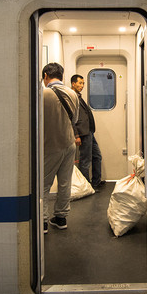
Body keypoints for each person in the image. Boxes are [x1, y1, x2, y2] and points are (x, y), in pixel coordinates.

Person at [41, 63, 78, 231]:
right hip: (69, 143)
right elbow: (75, 119)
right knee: (65, 183)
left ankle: (42, 221)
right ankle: (61, 218)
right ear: (62, 76)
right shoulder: (72, 93)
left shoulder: (43, 94)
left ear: (46, 76)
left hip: (50, 144)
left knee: (43, 184)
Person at [70, 75, 104, 189]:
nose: (82, 86)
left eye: (83, 83)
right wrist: (76, 135)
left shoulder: (79, 97)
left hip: (89, 132)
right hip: (82, 133)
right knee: (85, 161)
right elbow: (71, 118)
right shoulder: (72, 97)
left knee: (97, 156)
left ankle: (96, 181)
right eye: (80, 83)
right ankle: (85, 186)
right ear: (73, 84)